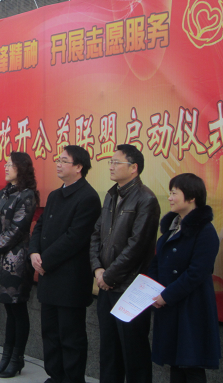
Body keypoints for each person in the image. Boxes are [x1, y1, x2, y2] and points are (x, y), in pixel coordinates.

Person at [29, 145, 102, 383]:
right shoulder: (54, 195)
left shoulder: (88, 197)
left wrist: (45, 260)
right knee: (50, 333)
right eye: (58, 160)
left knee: (71, 336)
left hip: (70, 279)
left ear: (79, 167)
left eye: (64, 161)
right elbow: (40, 227)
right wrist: (34, 252)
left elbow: (75, 238)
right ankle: (55, 376)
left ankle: (72, 379)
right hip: (48, 275)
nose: (58, 164)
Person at [89, 144, 161, 383]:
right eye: (110, 162)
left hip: (130, 288)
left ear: (133, 168)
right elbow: (96, 235)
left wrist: (108, 276)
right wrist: (98, 269)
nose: (111, 166)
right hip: (106, 285)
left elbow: (137, 246)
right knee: (108, 350)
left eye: (116, 162)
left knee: (134, 352)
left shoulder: (146, 199)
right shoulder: (111, 195)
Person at [148, 173, 220, 383]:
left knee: (191, 364)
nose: (169, 198)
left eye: (174, 193)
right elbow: (157, 261)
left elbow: (197, 272)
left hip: (192, 307)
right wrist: (153, 288)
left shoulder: (205, 231)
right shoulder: (172, 226)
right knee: (175, 362)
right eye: (170, 193)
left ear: (191, 197)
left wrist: (167, 295)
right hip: (169, 305)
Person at [0, 152, 39, 377]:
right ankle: (6, 357)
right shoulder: (4, 192)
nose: (5, 167)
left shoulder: (27, 195)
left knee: (17, 309)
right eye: (5, 164)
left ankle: (16, 359)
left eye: (10, 164)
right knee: (8, 309)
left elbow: (18, 228)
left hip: (16, 261)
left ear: (21, 168)